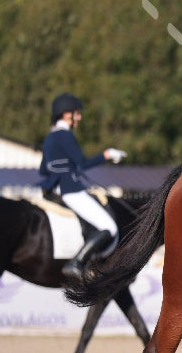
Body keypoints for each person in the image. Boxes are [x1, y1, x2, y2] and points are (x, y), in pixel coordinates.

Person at [39, 93, 127, 279]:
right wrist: (107, 154)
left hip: (55, 190)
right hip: (71, 190)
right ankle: (77, 263)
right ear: (66, 114)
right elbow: (82, 163)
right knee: (109, 227)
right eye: (76, 113)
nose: (79, 117)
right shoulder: (65, 136)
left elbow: (43, 169)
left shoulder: (49, 138)